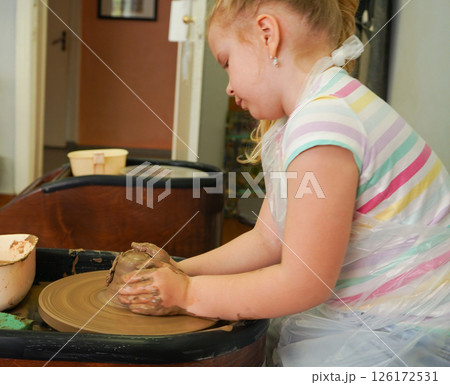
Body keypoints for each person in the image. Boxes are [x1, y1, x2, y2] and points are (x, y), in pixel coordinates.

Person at [118, 0, 450, 366]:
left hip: (406, 334)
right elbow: (267, 240)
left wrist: (186, 293)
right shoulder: (312, 113)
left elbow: (304, 283)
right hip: (384, 318)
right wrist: (181, 269)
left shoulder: (324, 120)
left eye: (227, 62)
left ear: (267, 34)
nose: (228, 87)